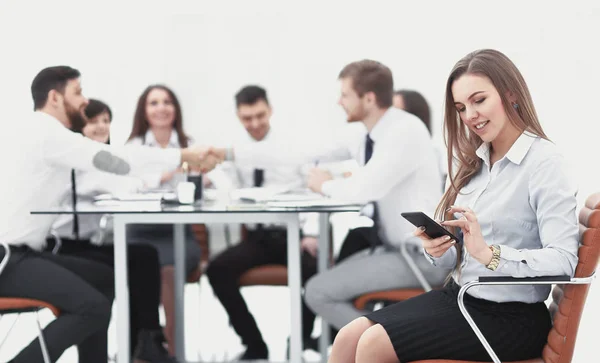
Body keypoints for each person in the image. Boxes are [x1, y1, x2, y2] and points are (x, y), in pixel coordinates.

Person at [327, 49, 579, 363]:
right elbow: (454, 259)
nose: (470, 115)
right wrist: (440, 249)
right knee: (348, 337)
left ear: (510, 94)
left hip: (512, 319)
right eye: (461, 107)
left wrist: (490, 255)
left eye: (479, 100)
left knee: (372, 346)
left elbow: (565, 260)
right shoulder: (473, 162)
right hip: (460, 298)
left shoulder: (543, 163)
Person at [0, 66, 217, 363]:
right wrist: (183, 155)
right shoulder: (46, 134)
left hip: (26, 254)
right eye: (77, 93)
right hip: (8, 261)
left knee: (104, 277)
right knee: (93, 307)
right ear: (54, 97)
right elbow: (114, 160)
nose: (85, 101)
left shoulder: (42, 134)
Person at [303, 84, 449, 342]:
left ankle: (395, 345)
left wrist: (327, 184)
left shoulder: (418, 149)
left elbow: (366, 189)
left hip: (418, 254)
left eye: (394, 115)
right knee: (332, 273)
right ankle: (364, 343)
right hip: (399, 247)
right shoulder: (390, 150)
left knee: (318, 291)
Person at [50, 99, 176, 362]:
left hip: (88, 245)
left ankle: (147, 341)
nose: (101, 127)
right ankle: (104, 355)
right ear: (78, 128)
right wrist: (160, 175)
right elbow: (118, 184)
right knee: (116, 269)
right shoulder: (79, 161)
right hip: (63, 247)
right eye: (93, 121)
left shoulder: (98, 160)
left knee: (143, 257)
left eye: (106, 120)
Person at [204, 85, 320, 360]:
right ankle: (255, 345)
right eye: (247, 118)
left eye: (260, 116)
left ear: (270, 111)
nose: (254, 124)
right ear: (238, 116)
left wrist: (312, 233)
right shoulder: (234, 148)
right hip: (258, 237)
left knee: (318, 274)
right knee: (217, 270)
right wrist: (213, 178)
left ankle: (300, 340)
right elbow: (229, 183)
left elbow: (314, 186)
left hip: (294, 234)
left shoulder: (292, 145)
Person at [125, 85, 203, 353]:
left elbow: (215, 184)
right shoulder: (132, 148)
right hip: (139, 233)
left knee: (168, 272)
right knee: (142, 269)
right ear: (144, 111)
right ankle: (143, 347)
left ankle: (171, 350)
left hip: (178, 233)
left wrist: (204, 175)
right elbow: (126, 185)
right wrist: (162, 176)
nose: (161, 108)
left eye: (167, 101)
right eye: (154, 102)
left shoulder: (190, 145)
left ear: (175, 109)